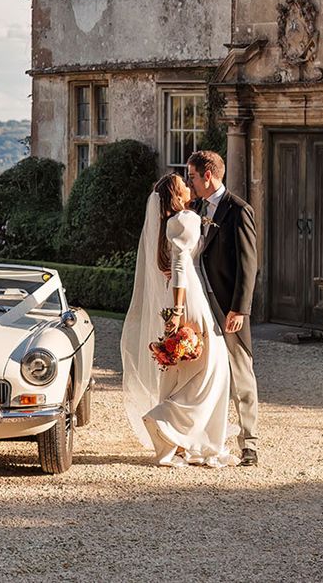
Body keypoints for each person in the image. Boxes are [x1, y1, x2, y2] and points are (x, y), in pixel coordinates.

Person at [121, 172, 233, 467]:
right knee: (213, 368)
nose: (188, 184)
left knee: (186, 368)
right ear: (176, 193)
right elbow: (181, 265)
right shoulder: (184, 219)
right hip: (188, 297)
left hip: (181, 294)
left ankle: (178, 440)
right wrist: (178, 310)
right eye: (183, 183)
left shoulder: (172, 222)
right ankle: (164, 421)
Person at [186, 149, 260, 467]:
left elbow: (249, 264)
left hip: (228, 305)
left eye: (192, 176)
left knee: (240, 372)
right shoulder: (199, 207)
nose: (189, 182)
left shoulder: (239, 210)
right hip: (201, 303)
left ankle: (250, 443)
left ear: (208, 176)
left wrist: (240, 309)